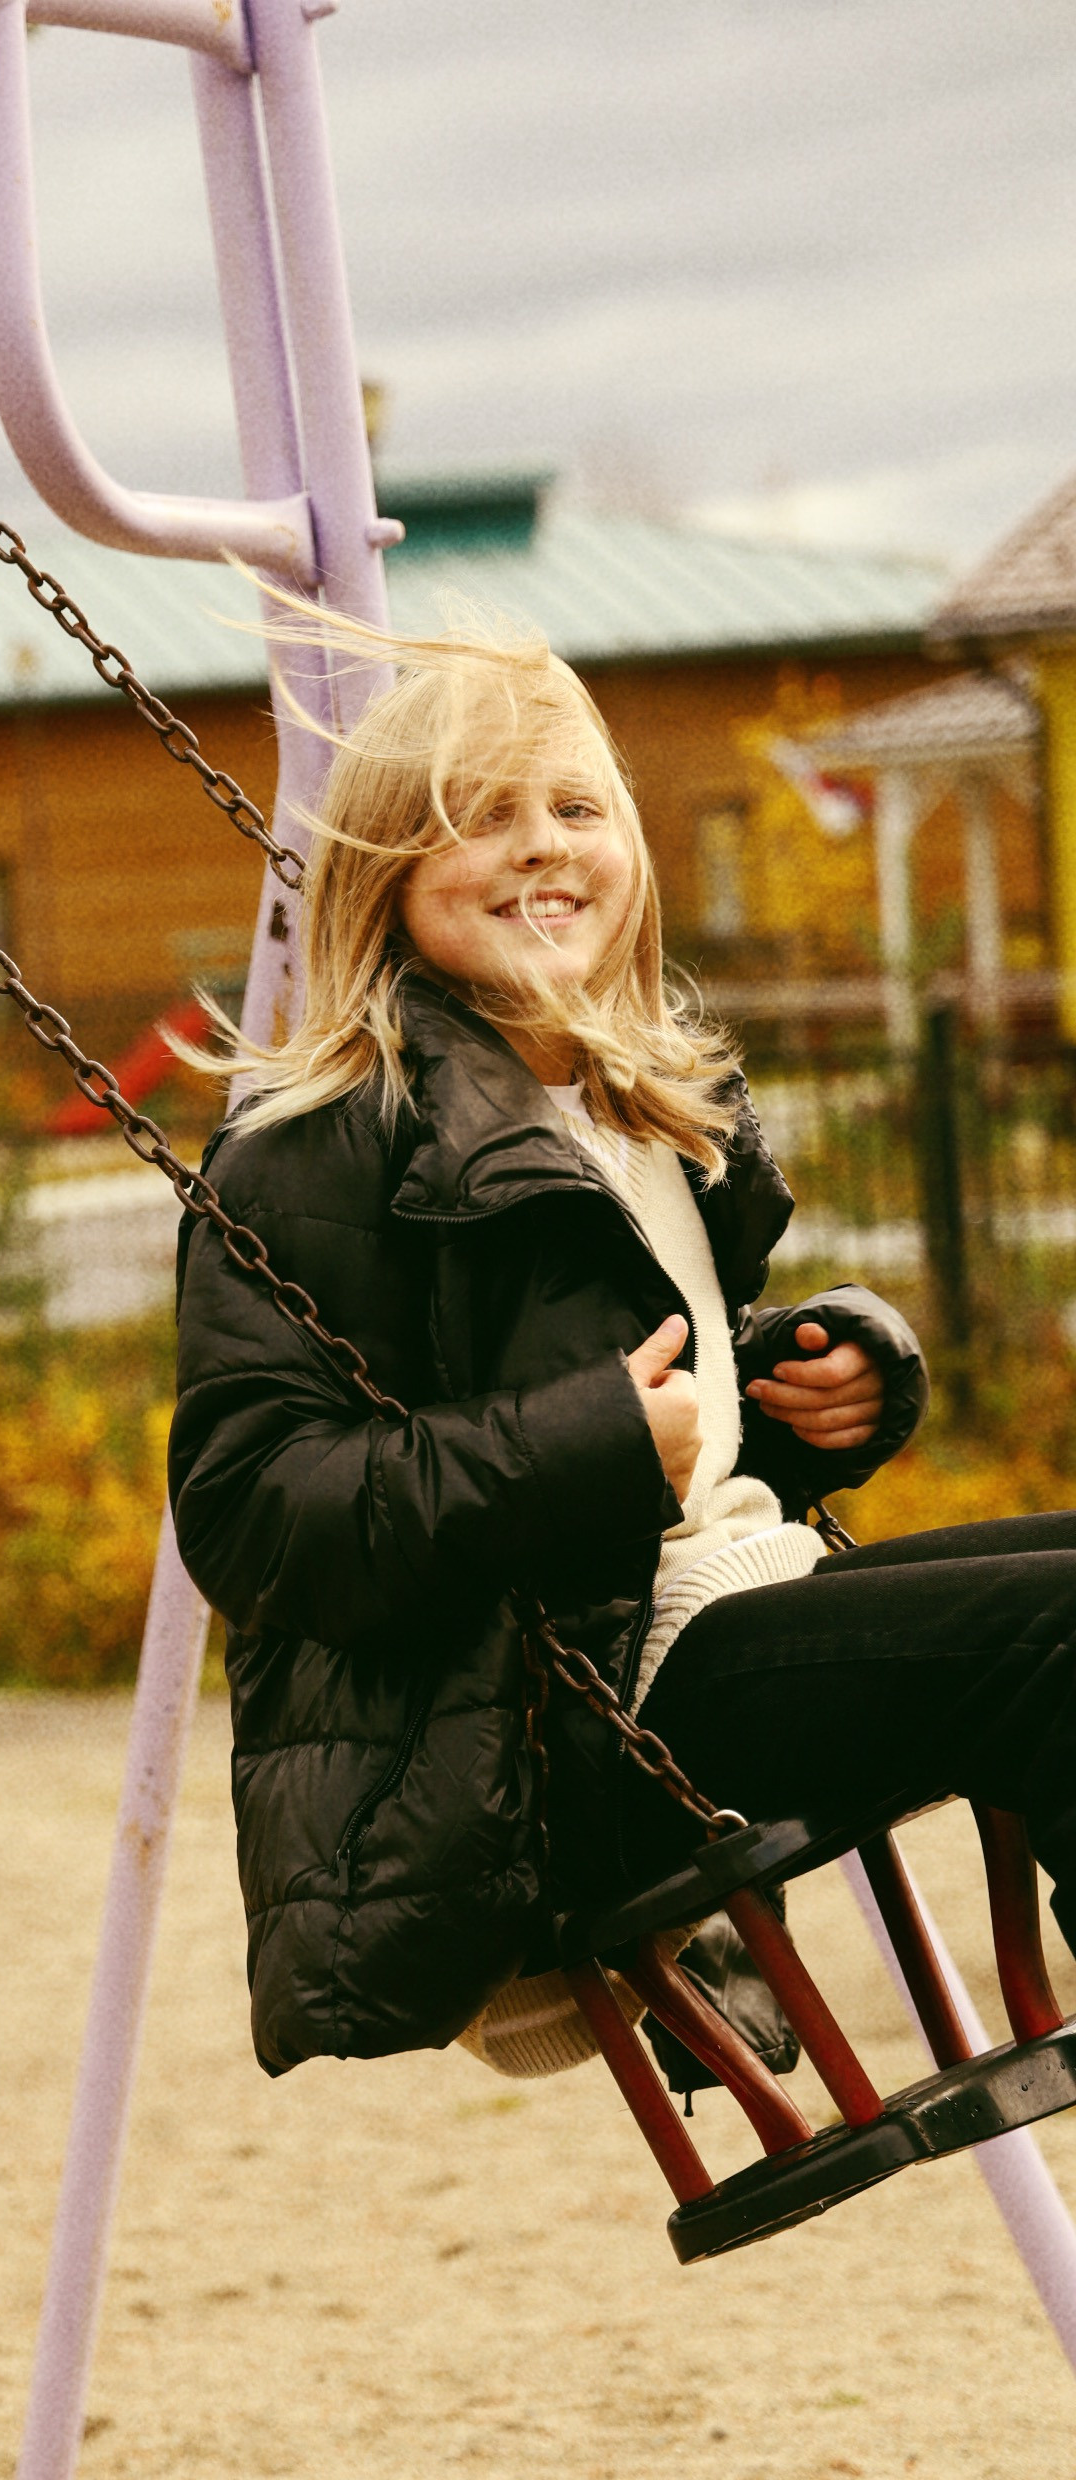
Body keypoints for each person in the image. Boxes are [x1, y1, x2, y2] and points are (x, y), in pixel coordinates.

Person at [169, 626, 1076, 2085]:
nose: (542, 850)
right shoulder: (321, 1145)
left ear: (634, 847)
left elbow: (668, 1409)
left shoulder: (641, 1106)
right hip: (570, 1735)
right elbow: (255, 1515)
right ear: (387, 872)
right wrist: (589, 1441)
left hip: (719, 1603)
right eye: (482, 816)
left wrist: (829, 1387)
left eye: (577, 810)